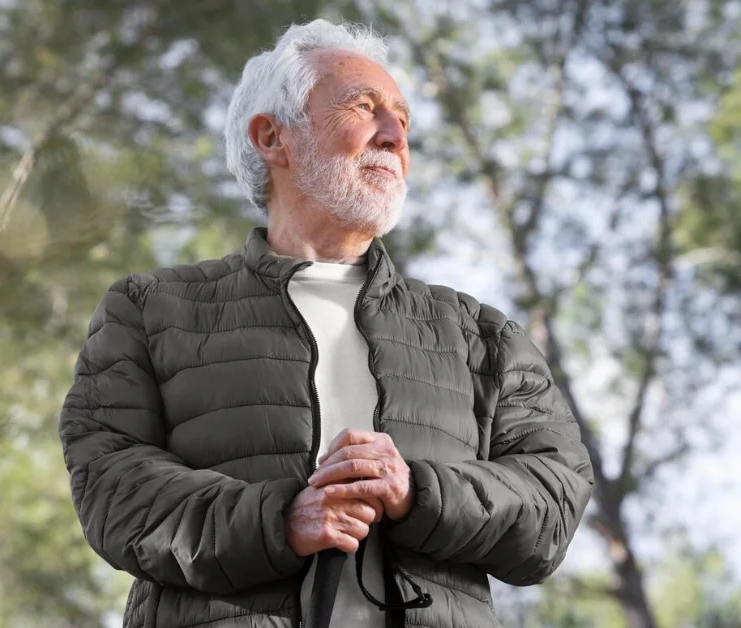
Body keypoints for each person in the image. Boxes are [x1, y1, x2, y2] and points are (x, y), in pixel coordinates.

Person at [58, 18, 593, 628]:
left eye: (403, 120)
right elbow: (112, 488)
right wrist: (282, 520)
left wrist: (415, 491)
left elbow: (552, 501)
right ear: (272, 137)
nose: (394, 136)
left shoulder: (482, 335)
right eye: (364, 108)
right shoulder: (149, 309)